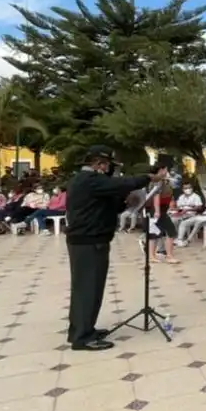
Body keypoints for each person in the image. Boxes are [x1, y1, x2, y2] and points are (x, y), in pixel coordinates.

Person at [64, 146, 166, 351]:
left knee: (87, 288)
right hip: (89, 241)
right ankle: (82, 337)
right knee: (88, 289)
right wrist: (149, 177)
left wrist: (124, 201)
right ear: (98, 164)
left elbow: (107, 204)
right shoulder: (89, 180)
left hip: (90, 239)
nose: (110, 170)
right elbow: (122, 183)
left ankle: (82, 329)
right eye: (108, 165)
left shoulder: (88, 181)